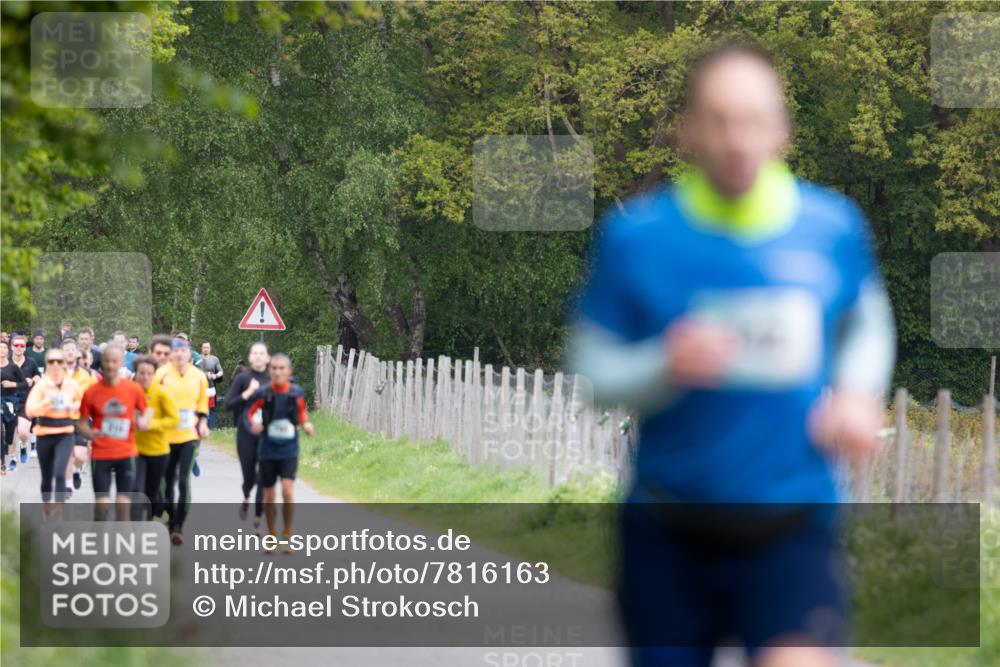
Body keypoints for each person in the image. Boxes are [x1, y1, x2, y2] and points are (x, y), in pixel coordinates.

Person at [567, 40, 895, 667]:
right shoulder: (637, 238)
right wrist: (663, 366)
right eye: (719, 120)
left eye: (754, 120)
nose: (738, 138)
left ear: (782, 130)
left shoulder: (831, 229)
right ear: (689, 130)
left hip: (791, 523)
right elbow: (591, 370)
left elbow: (866, 321)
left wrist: (856, 391)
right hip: (670, 529)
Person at [245, 353, 314, 552]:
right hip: (267, 449)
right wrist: (253, 425)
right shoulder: (263, 393)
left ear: (289, 371)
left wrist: (306, 425)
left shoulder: (296, 393)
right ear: (270, 371)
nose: (277, 372)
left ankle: (287, 534)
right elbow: (248, 414)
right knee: (269, 495)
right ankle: (272, 534)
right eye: (274, 368)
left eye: (282, 368)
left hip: (289, 449)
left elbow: (302, 414)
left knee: (287, 490)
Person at [77, 344, 150, 520]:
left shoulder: (133, 389)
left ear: (122, 364)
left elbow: (146, 410)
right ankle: (99, 536)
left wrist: (143, 421)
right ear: (102, 363)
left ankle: (120, 541)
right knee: (102, 505)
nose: (110, 365)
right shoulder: (92, 392)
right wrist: (89, 433)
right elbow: (81, 422)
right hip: (101, 454)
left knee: (123, 503)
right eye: (107, 361)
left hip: (127, 453)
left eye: (114, 361)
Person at [155, 337, 209, 545]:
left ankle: (178, 525)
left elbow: (202, 404)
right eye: (176, 351)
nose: (180, 355)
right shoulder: (161, 375)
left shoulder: (199, 376)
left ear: (189, 354)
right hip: (166, 437)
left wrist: (203, 422)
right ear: (171, 354)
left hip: (189, 436)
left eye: (184, 351)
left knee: (183, 479)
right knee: (166, 482)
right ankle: (171, 516)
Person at [25, 347, 82, 515]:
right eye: (51, 361)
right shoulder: (42, 385)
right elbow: (30, 410)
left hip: (65, 433)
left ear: (64, 363)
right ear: (47, 364)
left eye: (59, 361)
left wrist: (73, 407)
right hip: (44, 433)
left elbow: (81, 404)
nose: (56, 365)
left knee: (59, 472)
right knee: (47, 476)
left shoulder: (72, 385)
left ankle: (59, 512)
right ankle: (47, 507)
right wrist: (48, 403)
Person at [224, 342, 270, 527]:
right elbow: (228, 403)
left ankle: (258, 516)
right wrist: (248, 393)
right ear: (250, 358)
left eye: (262, 353)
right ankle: (245, 497)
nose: (258, 356)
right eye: (255, 353)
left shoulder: (273, 378)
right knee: (249, 478)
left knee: (263, 477)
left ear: (267, 358)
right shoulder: (243, 379)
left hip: (267, 434)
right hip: (246, 434)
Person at [132, 355, 180, 521]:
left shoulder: (161, 393)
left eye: (149, 373)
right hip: (135, 451)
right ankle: (135, 529)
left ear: (154, 374)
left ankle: (154, 514)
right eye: (141, 373)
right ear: (135, 373)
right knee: (137, 491)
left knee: (152, 494)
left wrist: (151, 424)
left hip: (158, 451)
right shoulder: (129, 391)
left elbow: (174, 420)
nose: (145, 377)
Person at [63, 337, 98, 494]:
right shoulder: (56, 373)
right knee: (67, 452)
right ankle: (68, 484)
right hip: (62, 419)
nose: (69, 352)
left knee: (80, 455)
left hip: (81, 419)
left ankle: (77, 470)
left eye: (72, 349)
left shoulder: (86, 375)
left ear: (77, 353)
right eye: (66, 349)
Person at [10, 334, 40, 460]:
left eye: (21, 345)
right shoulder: (5, 362)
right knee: (10, 431)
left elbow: (38, 376)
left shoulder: (31, 362)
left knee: (23, 431)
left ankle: (23, 444)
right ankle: (12, 457)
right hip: (8, 400)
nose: (19, 347)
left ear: (24, 348)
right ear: (11, 347)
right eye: (16, 345)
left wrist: (32, 380)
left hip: (26, 401)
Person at [0, 340, 27, 472]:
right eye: (0, 347)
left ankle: (12, 459)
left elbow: (25, 384)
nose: (3, 350)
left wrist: (12, 385)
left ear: (8, 351)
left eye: (5, 347)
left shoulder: (13, 367)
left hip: (10, 402)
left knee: (10, 435)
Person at [197, 341, 224, 429]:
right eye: (204, 347)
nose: (206, 349)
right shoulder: (197, 358)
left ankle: (212, 429)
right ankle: (199, 428)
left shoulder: (214, 359)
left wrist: (215, 375)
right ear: (201, 348)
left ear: (210, 348)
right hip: (198, 388)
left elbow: (221, 372)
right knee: (199, 408)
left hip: (210, 388)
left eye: (207, 347)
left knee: (211, 409)